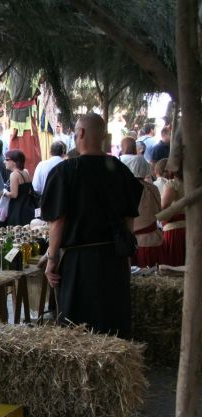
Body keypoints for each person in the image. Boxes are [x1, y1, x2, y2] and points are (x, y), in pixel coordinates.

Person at [42, 113, 142, 338]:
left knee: (80, 331)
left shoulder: (66, 171)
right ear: (104, 137)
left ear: (81, 133)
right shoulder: (120, 169)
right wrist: (126, 256)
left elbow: (57, 221)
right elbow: (129, 219)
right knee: (112, 325)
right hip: (114, 260)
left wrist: (51, 259)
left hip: (79, 263)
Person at [121, 155, 162, 267]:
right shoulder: (152, 188)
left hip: (133, 242)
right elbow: (158, 210)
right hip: (151, 240)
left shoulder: (124, 189)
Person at [3, 149, 36, 227]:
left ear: (14, 162)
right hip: (28, 206)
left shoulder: (14, 174)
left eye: (7, 159)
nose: (4, 161)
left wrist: (4, 192)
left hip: (18, 208)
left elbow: (14, 194)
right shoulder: (25, 172)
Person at [160, 169, 185, 266]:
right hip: (194, 227)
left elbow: (164, 207)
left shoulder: (173, 184)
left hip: (176, 231)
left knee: (175, 267)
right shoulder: (197, 183)